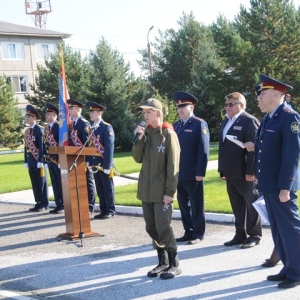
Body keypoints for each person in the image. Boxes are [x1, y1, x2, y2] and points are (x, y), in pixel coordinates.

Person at [245, 74, 300, 289]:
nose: (258, 97)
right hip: (269, 184)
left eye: (263, 93)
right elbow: (268, 150)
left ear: (277, 94)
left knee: (290, 229)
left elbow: (291, 155)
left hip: (281, 187)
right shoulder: (270, 117)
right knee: (277, 229)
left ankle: (297, 272)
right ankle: (289, 267)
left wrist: (285, 187)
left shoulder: (289, 117)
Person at [132, 98, 181, 280]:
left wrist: (170, 192)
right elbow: (137, 159)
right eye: (144, 113)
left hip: (162, 192)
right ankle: (162, 261)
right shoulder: (146, 134)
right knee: (151, 226)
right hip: (146, 189)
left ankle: (174, 262)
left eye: (149, 112)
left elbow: (173, 166)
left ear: (159, 113)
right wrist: (138, 138)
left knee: (163, 226)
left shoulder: (169, 134)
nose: (145, 115)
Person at [218, 92, 262, 249]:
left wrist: (251, 172)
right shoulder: (226, 122)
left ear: (241, 105)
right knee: (237, 205)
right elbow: (223, 148)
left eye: (231, 104)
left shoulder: (249, 121)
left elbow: (254, 150)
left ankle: (254, 235)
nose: (227, 107)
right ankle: (240, 234)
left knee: (252, 204)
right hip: (231, 173)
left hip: (246, 173)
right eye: (226, 104)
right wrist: (222, 170)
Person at [172, 91, 210, 245]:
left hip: (193, 172)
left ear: (192, 107)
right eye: (178, 107)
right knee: (182, 204)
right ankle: (188, 231)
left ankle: (198, 233)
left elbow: (203, 150)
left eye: (183, 107)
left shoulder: (199, 124)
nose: (180, 110)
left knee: (196, 204)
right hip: (178, 173)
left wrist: (200, 172)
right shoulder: (175, 125)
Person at [86, 101, 116, 219]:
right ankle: (103, 209)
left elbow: (109, 148)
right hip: (95, 164)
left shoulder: (106, 127)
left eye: (93, 112)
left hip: (103, 163)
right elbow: (89, 146)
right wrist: (89, 161)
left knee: (107, 187)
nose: (91, 114)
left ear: (100, 113)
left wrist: (107, 165)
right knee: (99, 187)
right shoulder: (92, 128)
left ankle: (110, 209)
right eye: (90, 112)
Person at [67, 99, 96, 214]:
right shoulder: (72, 124)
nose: (69, 110)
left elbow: (88, 143)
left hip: (83, 159)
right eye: (69, 108)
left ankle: (90, 206)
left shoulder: (84, 123)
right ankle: (80, 204)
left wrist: (88, 160)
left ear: (78, 110)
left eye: (71, 108)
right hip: (75, 158)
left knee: (87, 182)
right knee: (78, 183)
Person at [24, 104, 49, 212]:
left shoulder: (40, 130)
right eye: (27, 117)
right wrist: (26, 160)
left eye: (29, 117)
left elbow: (42, 146)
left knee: (41, 182)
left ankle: (44, 203)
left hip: (38, 160)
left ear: (34, 118)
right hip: (31, 160)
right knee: (34, 182)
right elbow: (26, 147)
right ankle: (38, 202)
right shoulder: (27, 131)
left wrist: (41, 160)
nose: (27, 118)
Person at [44, 102, 64, 214]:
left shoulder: (59, 127)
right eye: (46, 114)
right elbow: (45, 144)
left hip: (58, 160)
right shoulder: (46, 128)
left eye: (48, 114)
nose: (46, 116)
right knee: (55, 183)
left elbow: (61, 144)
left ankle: (63, 204)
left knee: (61, 184)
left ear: (54, 115)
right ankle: (58, 204)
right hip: (50, 160)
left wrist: (61, 159)